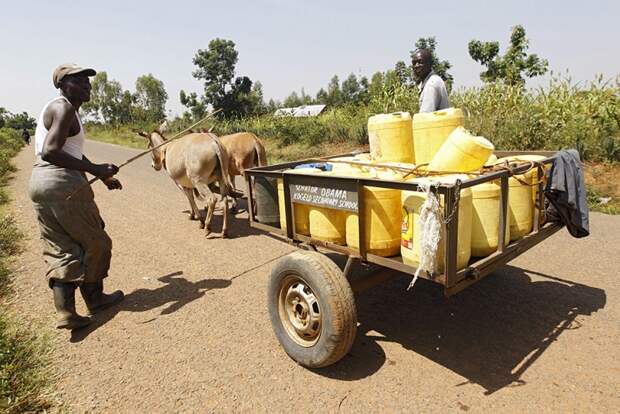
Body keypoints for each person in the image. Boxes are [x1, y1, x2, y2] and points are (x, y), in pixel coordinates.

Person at [28, 63, 124, 330]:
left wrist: (102, 175)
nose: (86, 85)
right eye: (78, 81)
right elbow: (51, 151)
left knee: (60, 246)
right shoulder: (64, 107)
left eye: (88, 81)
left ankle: (66, 312)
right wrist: (94, 170)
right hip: (62, 183)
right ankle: (95, 299)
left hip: (40, 182)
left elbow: (70, 152)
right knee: (96, 241)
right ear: (62, 85)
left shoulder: (64, 110)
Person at [412, 49, 450, 113]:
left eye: (420, 62)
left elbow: (425, 117)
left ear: (430, 64)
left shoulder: (431, 84)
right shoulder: (429, 81)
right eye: (414, 63)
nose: (416, 65)